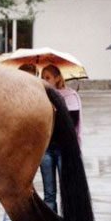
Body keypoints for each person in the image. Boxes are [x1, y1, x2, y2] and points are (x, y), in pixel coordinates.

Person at [2, 64, 38, 221]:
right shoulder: (9, 101)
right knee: (10, 193)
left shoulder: (36, 102)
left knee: (27, 194)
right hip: (12, 155)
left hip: (28, 155)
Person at [40, 64, 81, 212]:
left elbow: (71, 123)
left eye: (48, 78)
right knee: (49, 194)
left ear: (57, 78)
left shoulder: (70, 96)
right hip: (46, 150)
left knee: (67, 193)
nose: (44, 81)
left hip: (64, 150)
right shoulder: (41, 96)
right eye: (42, 78)